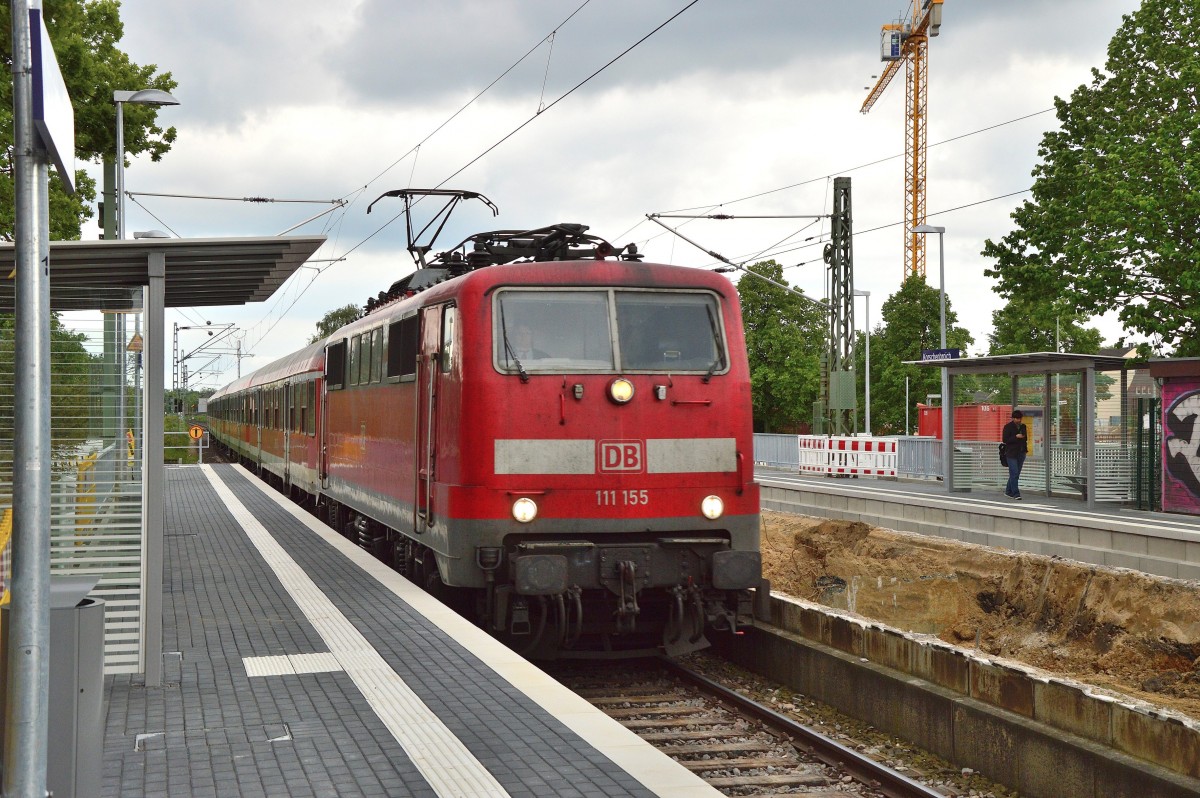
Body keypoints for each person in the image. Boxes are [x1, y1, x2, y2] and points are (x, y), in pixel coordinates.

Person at [1002, 409, 1028, 500]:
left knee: (1016, 473)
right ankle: (1016, 493)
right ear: (1013, 418)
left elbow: (1025, 437)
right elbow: (1005, 440)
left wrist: (1022, 436)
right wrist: (1015, 437)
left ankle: (1008, 491)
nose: (1019, 420)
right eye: (1017, 418)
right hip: (1011, 453)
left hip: (1021, 452)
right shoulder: (1008, 427)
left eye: (1020, 418)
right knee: (1014, 472)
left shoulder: (1023, 426)